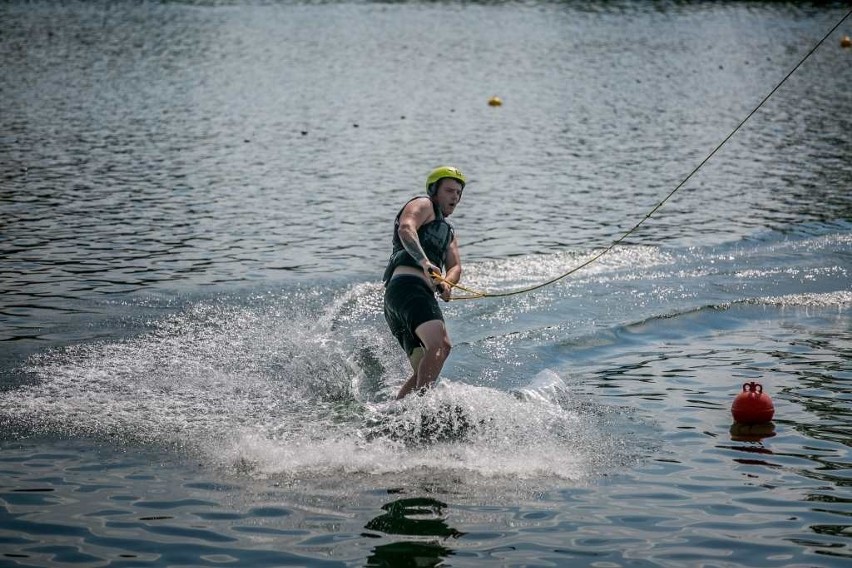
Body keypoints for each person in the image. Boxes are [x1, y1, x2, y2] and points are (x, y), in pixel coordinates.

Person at [382, 166, 466, 400]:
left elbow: (455, 266)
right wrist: (424, 261)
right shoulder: (424, 204)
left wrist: (447, 284)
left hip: (405, 302)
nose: (455, 197)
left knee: (424, 369)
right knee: (441, 345)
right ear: (434, 190)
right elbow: (406, 228)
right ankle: (419, 413)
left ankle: (396, 414)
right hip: (409, 289)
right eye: (449, 190)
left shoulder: (448, 231)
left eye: (458, 193)